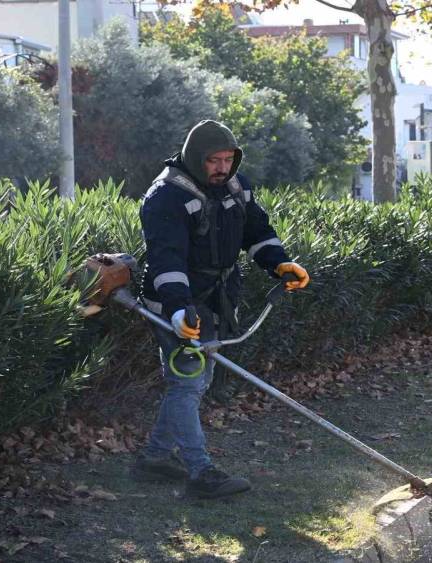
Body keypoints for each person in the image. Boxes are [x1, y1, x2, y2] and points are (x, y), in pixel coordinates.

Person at [132, 120, 309, 499]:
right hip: (175, 299)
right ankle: (200, 473)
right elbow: (166, 259)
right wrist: (178, 309)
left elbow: (256, 231)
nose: (222, 169)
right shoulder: (166, 196)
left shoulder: (235, 186)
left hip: (217, 297)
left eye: (228, 160)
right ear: (196, 157)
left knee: (196, 381)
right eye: (214, 161)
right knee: (188, 382)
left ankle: (155, 458)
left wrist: (279, 263)